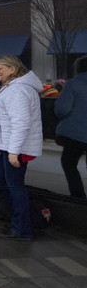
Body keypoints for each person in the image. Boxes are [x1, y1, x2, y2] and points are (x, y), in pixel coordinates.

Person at [0, 55, 43, 241]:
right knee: (3, 177)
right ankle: (17, 224)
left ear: (12, 69)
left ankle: (21, 230)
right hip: (9, 145)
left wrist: (13, 151)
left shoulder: (18, 90)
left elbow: (21, 123)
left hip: (14, 147)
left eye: (0, 68)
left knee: (14, 185)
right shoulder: (14, 87)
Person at [55, 55, 87, 199]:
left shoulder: (73, 84)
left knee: (69, 162)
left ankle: (78, 196)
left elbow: (62, 110)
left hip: (76, 134)